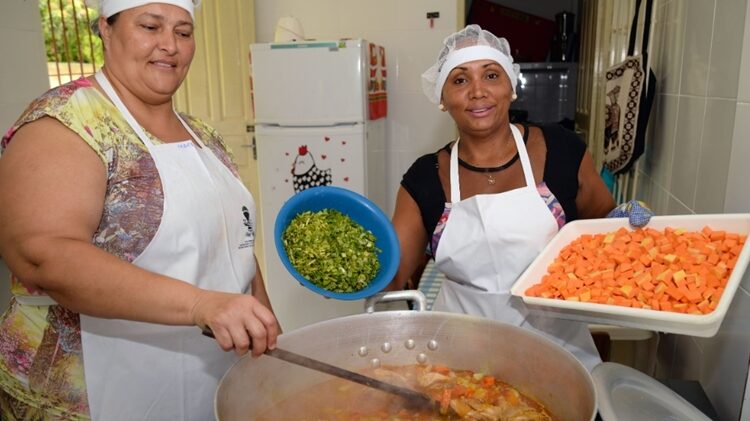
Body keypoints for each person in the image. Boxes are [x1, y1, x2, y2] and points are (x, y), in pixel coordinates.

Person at [0, 1, 279, 419]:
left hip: (209, 383)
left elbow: (234, 244)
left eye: (183, 33)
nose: (169, 45)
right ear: (106, 30)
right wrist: (200, 305)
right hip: (85, 396)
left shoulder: (202, 134)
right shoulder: (64, 123)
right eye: (150, 26)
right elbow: (43, 254)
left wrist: (267, 336)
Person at [388, 24, 620, 372]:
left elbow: (603, 220)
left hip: (556, 351)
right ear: (442, 98)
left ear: (511, 86)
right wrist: (350, 275)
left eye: (491, 75)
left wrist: (626, 227)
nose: (478, 91)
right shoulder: (424, 179)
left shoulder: (562, 150)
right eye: (460, 80)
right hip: (459, 358)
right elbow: (390, 277)